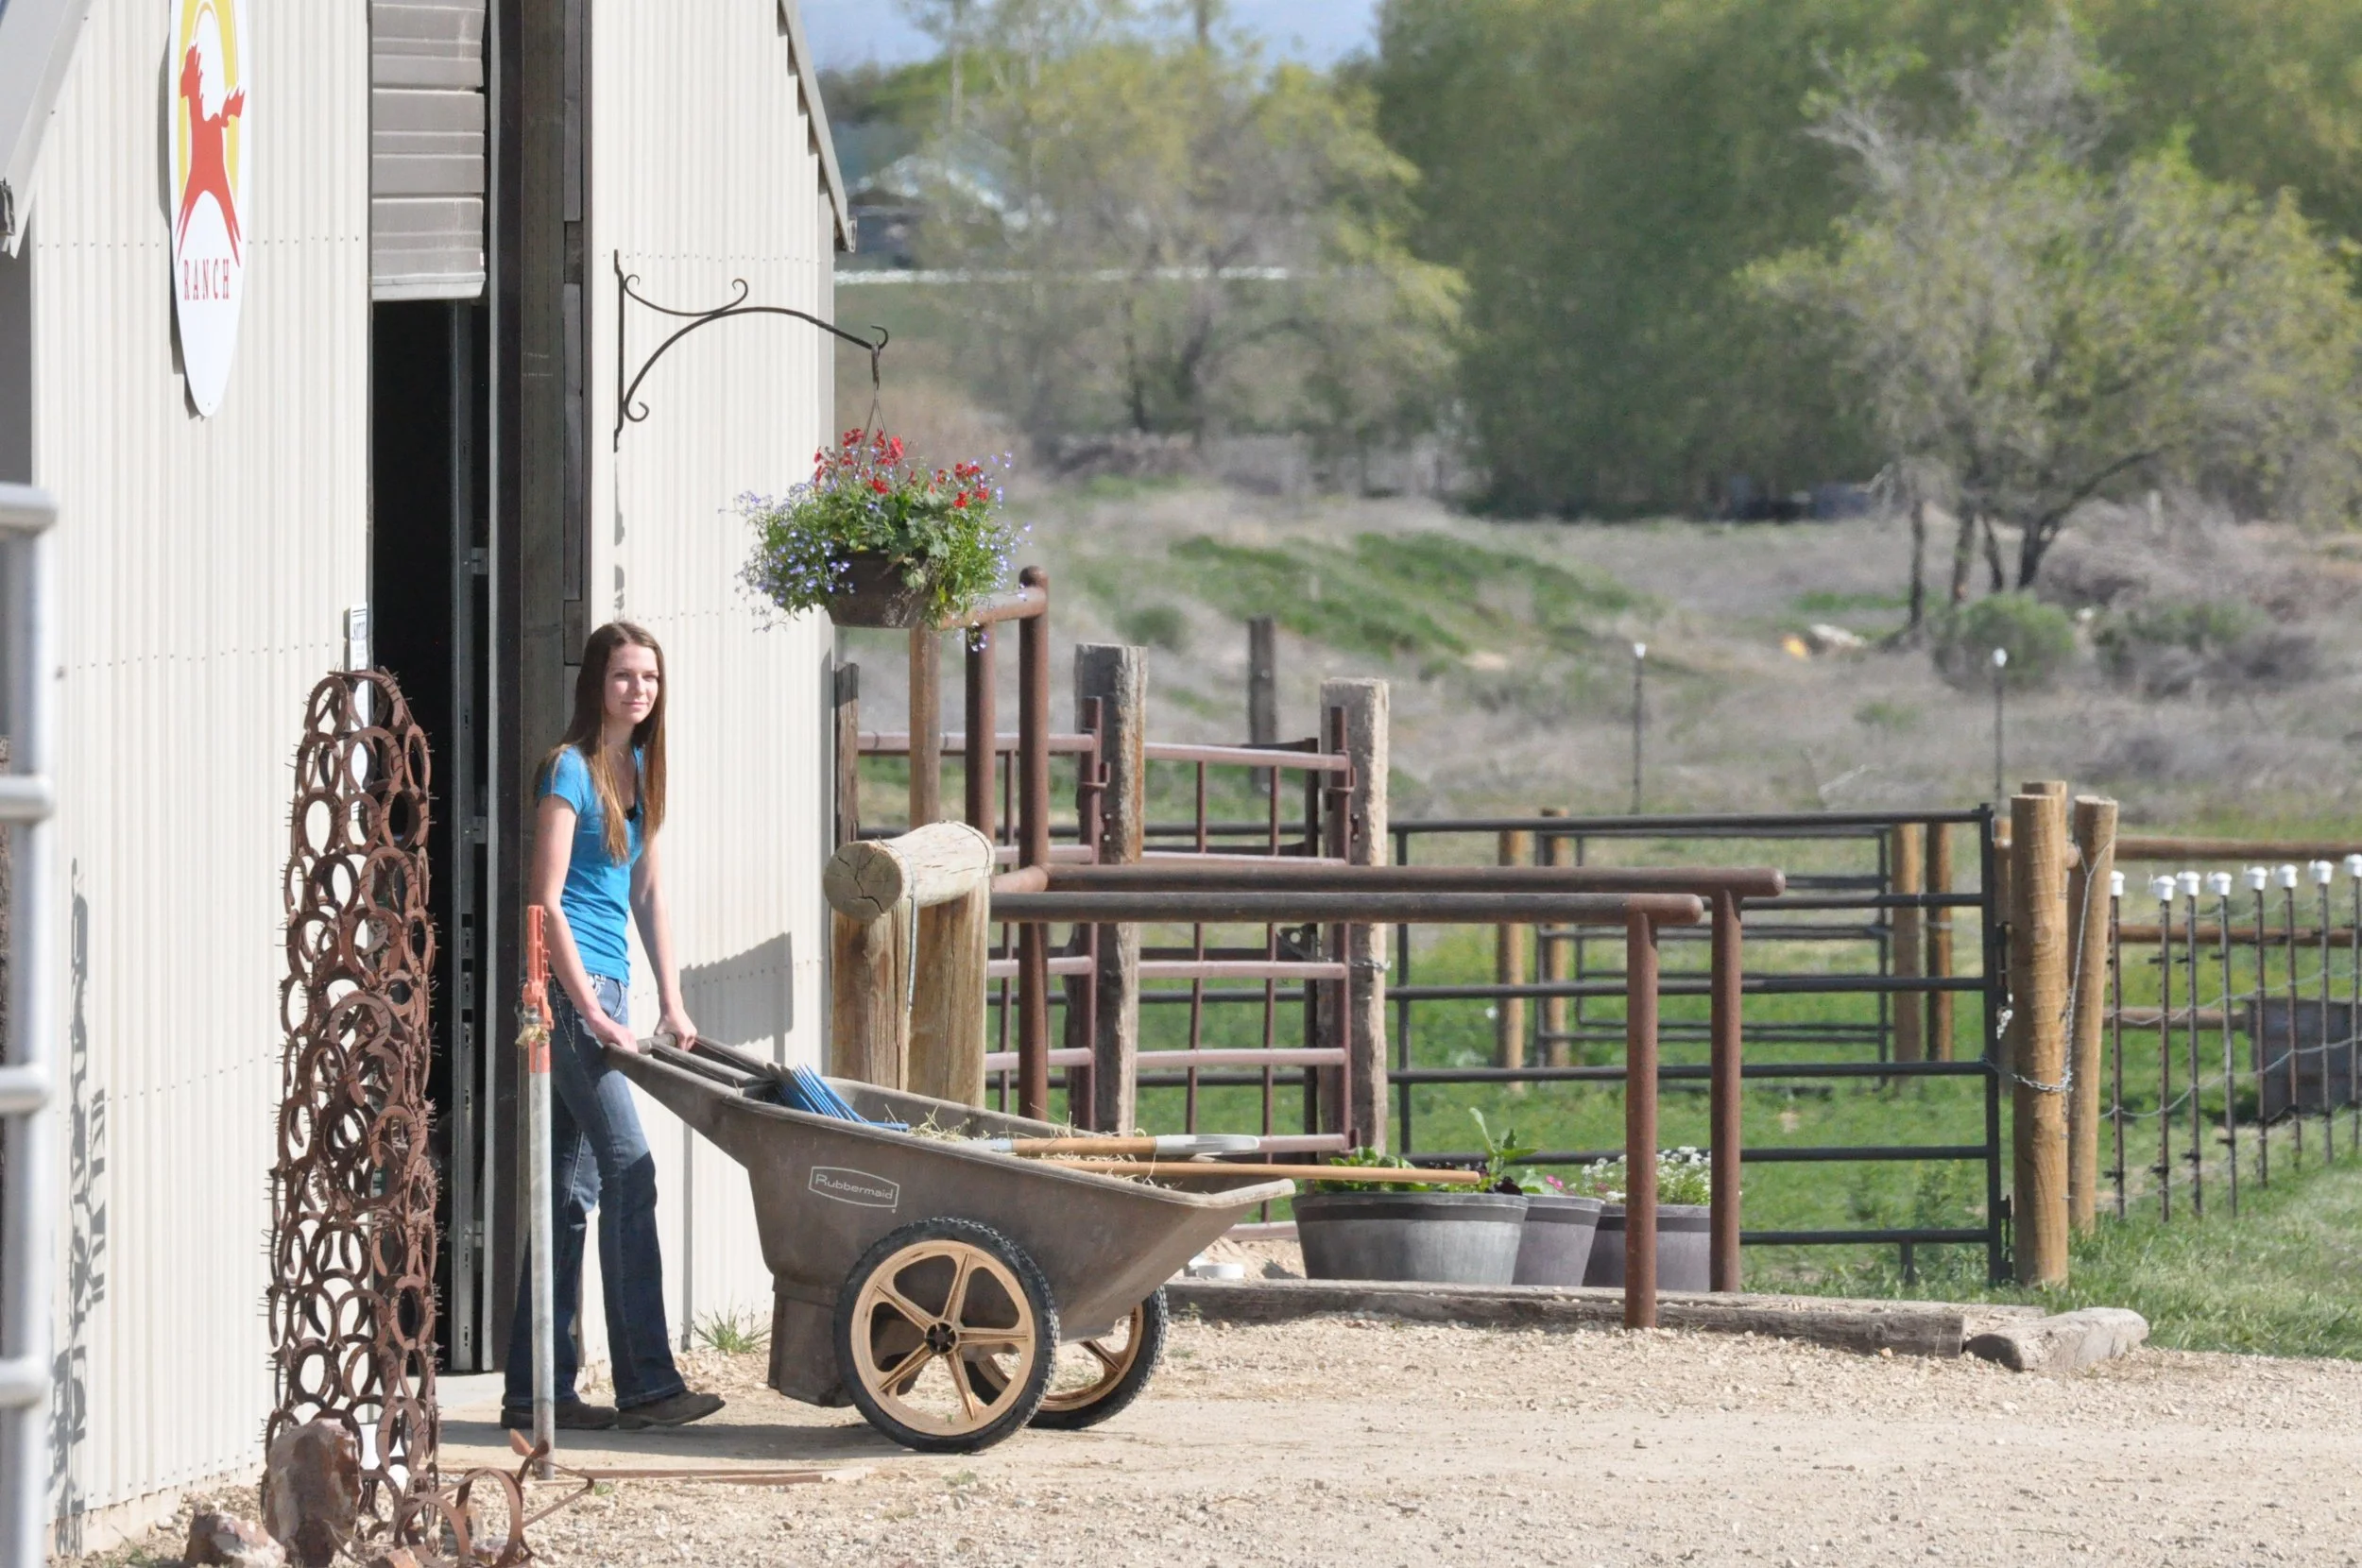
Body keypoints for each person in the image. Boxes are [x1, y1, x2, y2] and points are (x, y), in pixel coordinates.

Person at [503, 622, 724, 1432]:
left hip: (612, 993)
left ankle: (536, 1394)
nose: (639, 690)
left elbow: (648, 894)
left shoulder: (640, 769)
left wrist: (672, 999)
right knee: (631, 1171)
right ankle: (649, 1387)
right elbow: (545, 899)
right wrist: (589, 1009)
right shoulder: (568, 769)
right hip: (568, 997)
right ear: (596, 682)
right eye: (626, 675)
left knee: (570, 1194)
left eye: (650, 678)